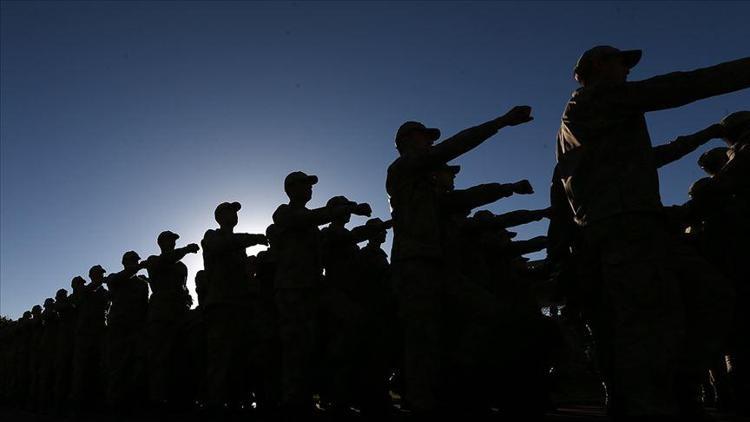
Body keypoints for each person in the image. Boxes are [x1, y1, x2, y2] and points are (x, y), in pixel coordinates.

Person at [550, 46, 748, 420]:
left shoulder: (594, 122)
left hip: (634, 225)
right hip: (625, 227)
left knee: (708, 294)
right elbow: (675, 87)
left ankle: (677, 387)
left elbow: (649, 157)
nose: (627, 70)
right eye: (620, 62)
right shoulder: (596, 98)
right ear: (596, 66)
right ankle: (654, 401)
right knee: (647, 325)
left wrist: (703, 133)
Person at [385, 107, 533, 417]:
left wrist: (507, 189)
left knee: (485, 314)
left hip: (437, 267)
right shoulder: (401, 170)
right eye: (424, 137)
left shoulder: (429, 190)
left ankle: (457, 386)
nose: (429, 143)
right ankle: (422, 401)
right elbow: (453, 146)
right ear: (405, 141)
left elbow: (466, 199)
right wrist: (500, 121)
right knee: (422, 338)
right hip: (414, 266)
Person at [272, 171, 370, 418]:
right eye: (306, 185)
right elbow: (303, 220)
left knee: (313, 343)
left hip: (312, 288)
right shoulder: (283, 213)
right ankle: (294, 402)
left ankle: (315, 397)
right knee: (296, 346)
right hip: (292, 289)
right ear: (292, 188)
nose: (310, 189)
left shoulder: (312, 225)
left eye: (310, 186)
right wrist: (340, 210)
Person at [201, 201, 268, 411]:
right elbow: (221, 245)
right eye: (230, 211)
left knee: (241, 354)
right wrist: (253, 238)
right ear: (220, 216)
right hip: (221, 304)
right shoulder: (212, 236)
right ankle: (215, 402)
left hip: (239, 305)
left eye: (235, 212)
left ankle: (238, 400)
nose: (234, 215)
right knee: (219, 355)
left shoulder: (237, 247)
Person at [142, 231, 199, 407]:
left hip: (179, 313)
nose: (173, 243)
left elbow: (183, 287)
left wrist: (187, 300)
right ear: (161, 243)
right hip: (161, 314)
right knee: (160, 356)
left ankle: (180, 398)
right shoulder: (153, 260)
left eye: (174, 241)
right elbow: (167, 260)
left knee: (181, 355)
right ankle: (157, 399)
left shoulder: (182, 267)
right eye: (169, 240)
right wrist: (187, 249)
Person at [104, 251, 149, 411]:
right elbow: (117, 280)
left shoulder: (142, 284)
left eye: (135, 261)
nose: (133, 263)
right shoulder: (114, 278)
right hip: (119, 327)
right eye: (130, 261)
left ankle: (132, 402)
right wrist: (136, 268)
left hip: (137, 327)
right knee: (117, 365)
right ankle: (114, 403)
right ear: (124, 263)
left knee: (136, 364)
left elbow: (145, 305)